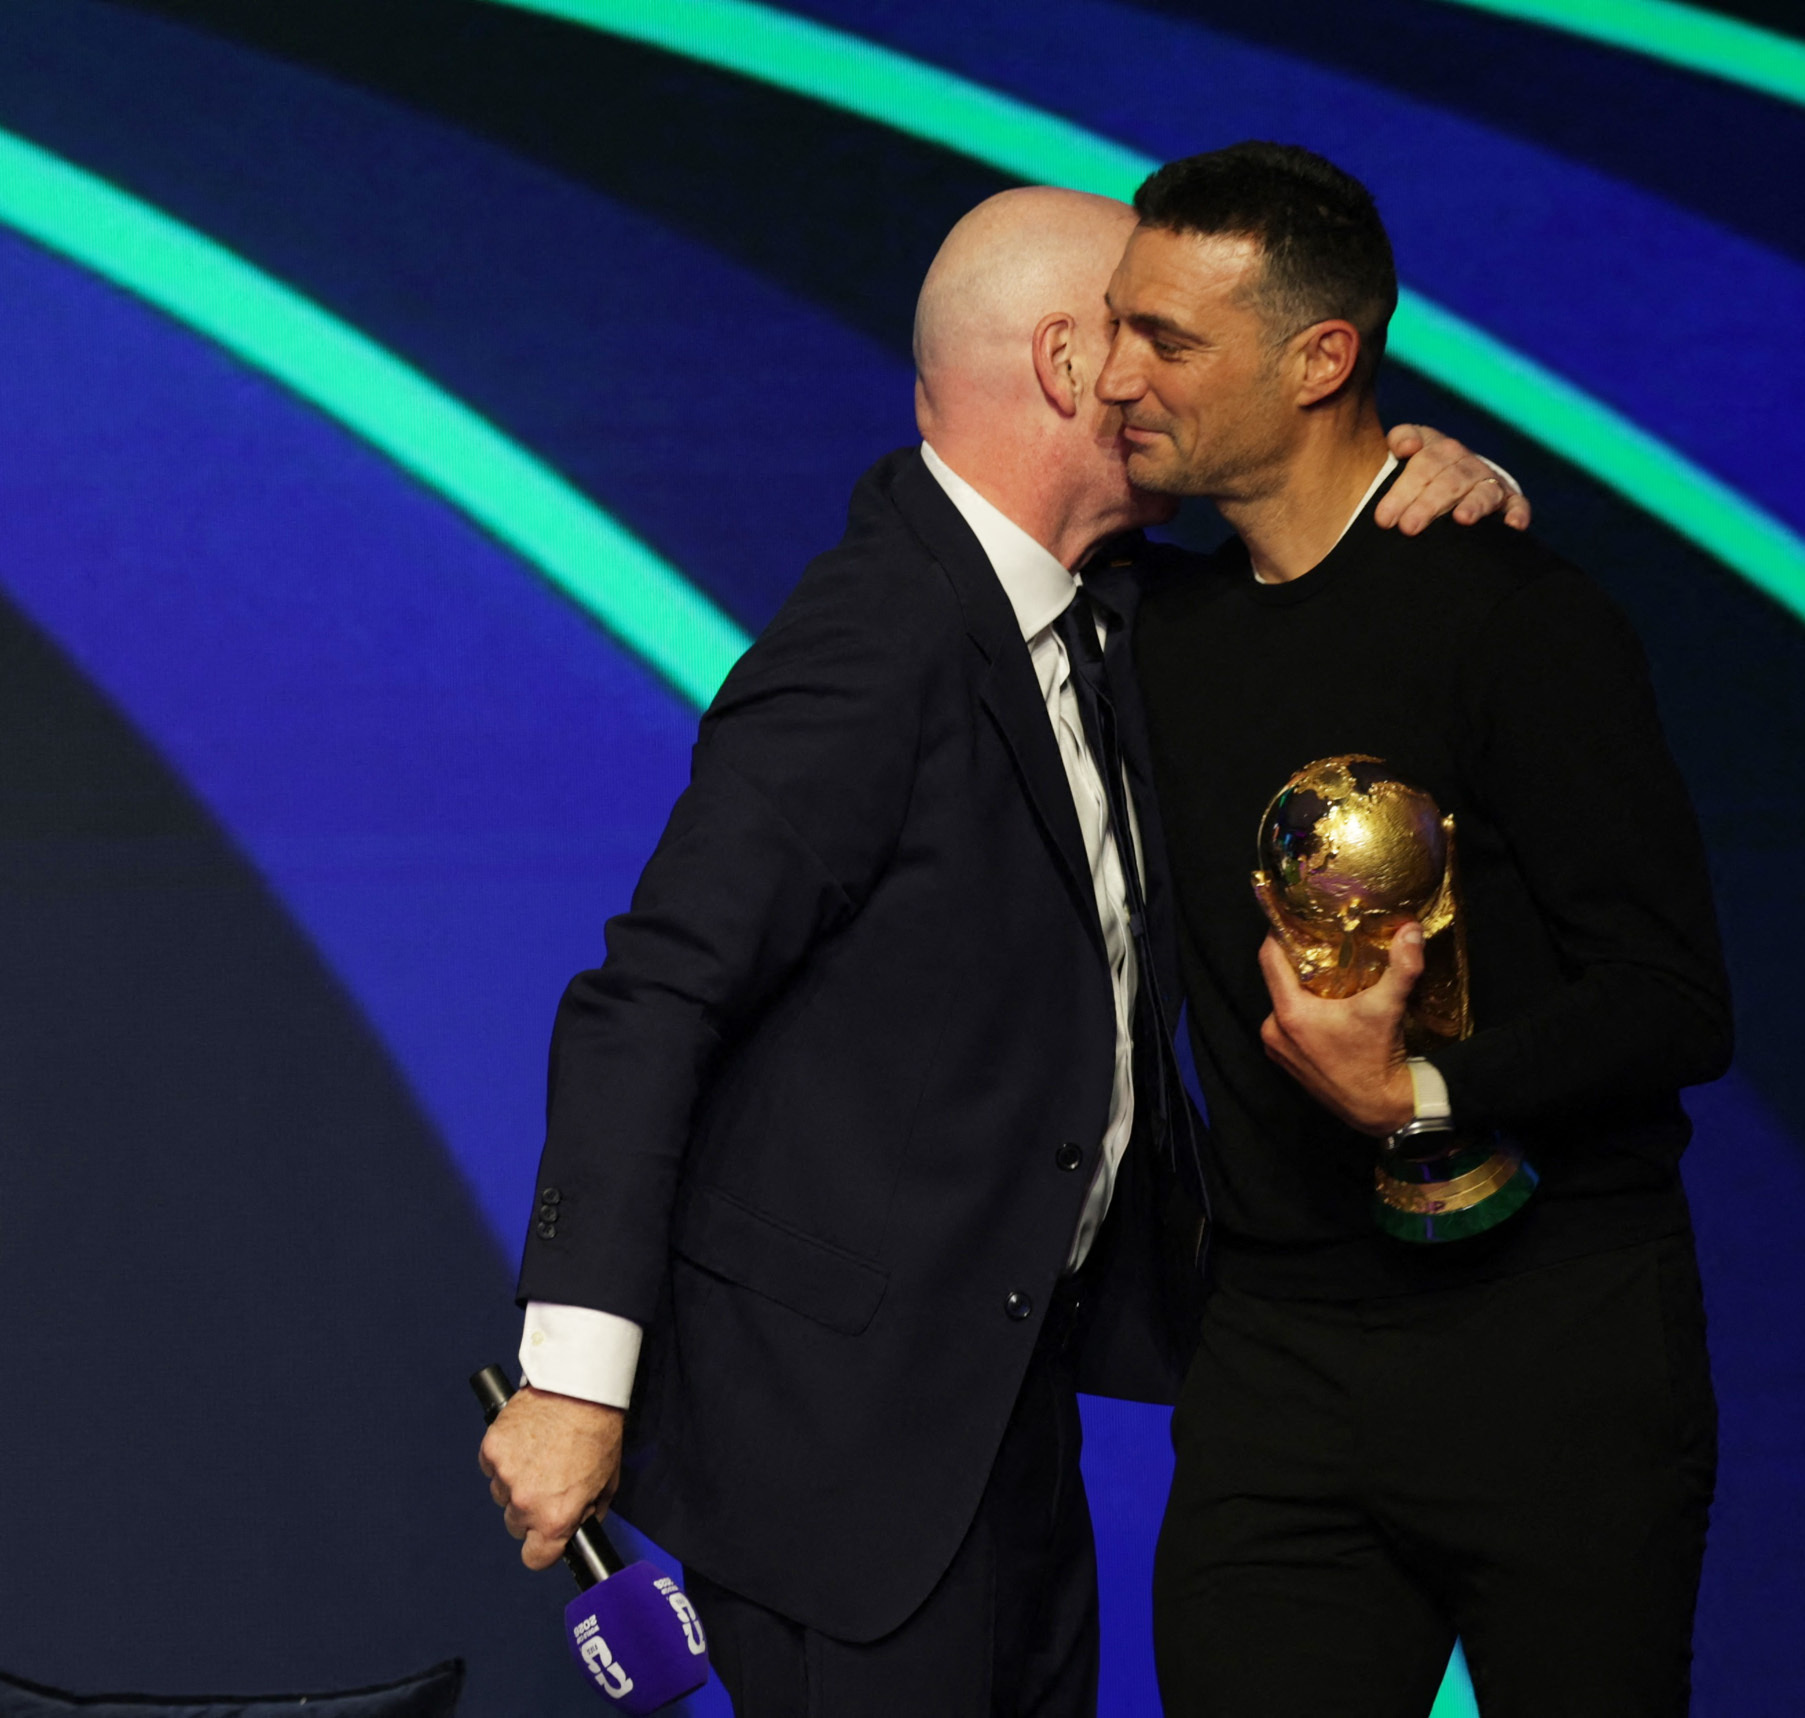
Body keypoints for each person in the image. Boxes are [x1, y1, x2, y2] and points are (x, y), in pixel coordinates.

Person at [476, 181, 1526, 1718]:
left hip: (1000, 1420)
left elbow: (1301, 581)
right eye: (1157, 335)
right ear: (1066, 363)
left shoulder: (1111, 608)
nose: (1188, 374)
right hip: (842, 1457)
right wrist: (574, 1371)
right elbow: (653, 997)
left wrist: (1418, 476)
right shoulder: (874, 641)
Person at [1102, 143, 1734, 1716]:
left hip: (1556, 1349)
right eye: (1115, 327)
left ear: (1324, 357)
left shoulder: (1520, 616)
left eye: (1166, 340)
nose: (1118, 374)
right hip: (1278, 1368)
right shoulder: (1148, 627)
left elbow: (1674, 999)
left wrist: (1422, 1095)